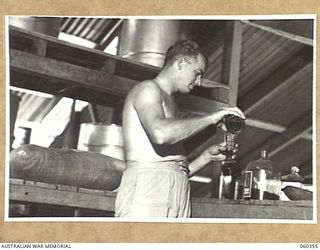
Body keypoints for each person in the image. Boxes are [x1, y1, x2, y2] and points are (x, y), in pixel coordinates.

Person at [115, 40, 245, 218]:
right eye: (197, 73)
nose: (198, 82)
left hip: (174, 189)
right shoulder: (147, 89)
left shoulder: (169, 101)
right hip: (148, 187)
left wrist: (206, 157)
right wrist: (211, 117)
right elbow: (160, 134)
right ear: (180, 63)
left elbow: (170, 168)